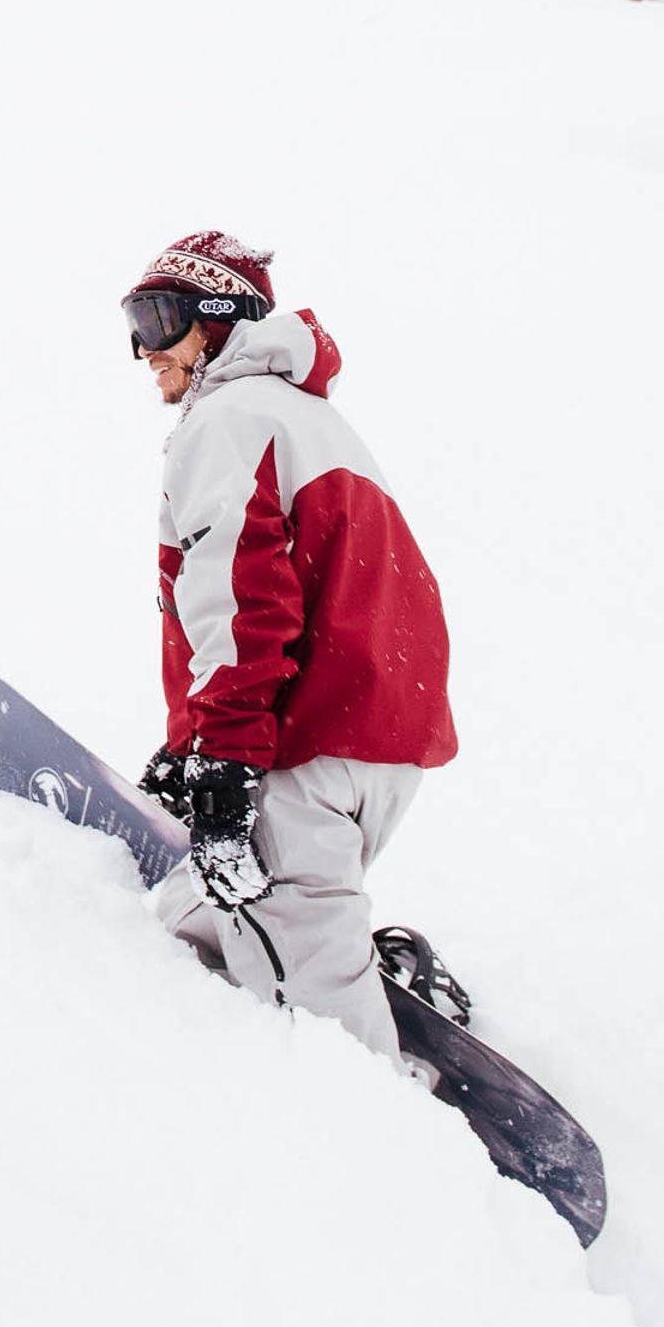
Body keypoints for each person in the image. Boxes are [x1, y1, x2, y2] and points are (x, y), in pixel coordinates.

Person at [123, 231, 456, 1059]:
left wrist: (226, 759)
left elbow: (242, 604)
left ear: (218, 321)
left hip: (304, 749)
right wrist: (193, 743)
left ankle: (396, 1139)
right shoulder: (311, 419)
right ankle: (355, 959)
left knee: (317, 1039)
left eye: (159, 318)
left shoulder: (228, 420)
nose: (142, 349)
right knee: (194, 927)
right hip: (378, 745)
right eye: (132, 323)